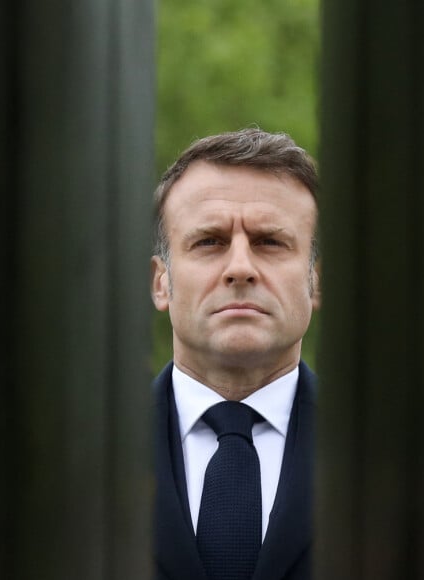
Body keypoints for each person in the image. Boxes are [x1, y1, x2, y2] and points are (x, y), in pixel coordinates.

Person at [151, 128, 321, 580]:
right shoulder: (70, 464)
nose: (241, 268)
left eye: (270, 241)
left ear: (316, 281)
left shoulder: (397, 462)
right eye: (209, 241)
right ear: (161, 282)